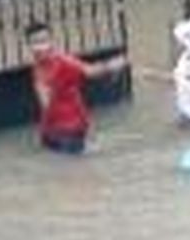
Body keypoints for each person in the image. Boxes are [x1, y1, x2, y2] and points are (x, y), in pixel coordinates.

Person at [27, 21, 129, 155]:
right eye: (35, 42)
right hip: (50, 130)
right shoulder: (37, 64)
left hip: (70, 130)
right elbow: (45, 102)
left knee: (73, 170)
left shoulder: (63, 60)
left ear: (52, 41)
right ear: (29, 45)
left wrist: (112, 64)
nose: (41, 47)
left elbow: (90, 71)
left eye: (44, 41)